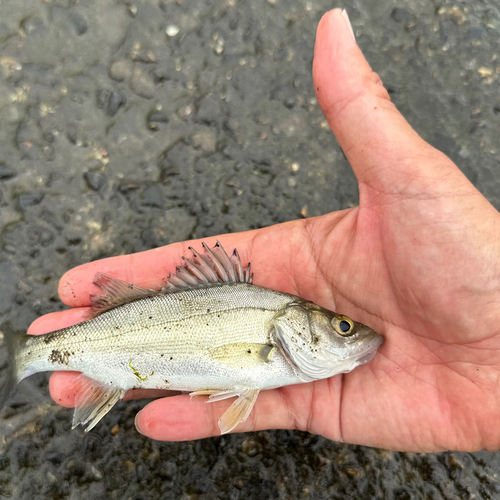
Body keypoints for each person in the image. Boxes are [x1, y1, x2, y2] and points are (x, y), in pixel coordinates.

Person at [28, 9, 500, 452]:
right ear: (288, 329)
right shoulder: (269, 334)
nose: (353, 333)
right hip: (121, 344)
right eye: (342, 326)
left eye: (343, 327)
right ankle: (30, 354)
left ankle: (34, 354)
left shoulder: (277, 340)